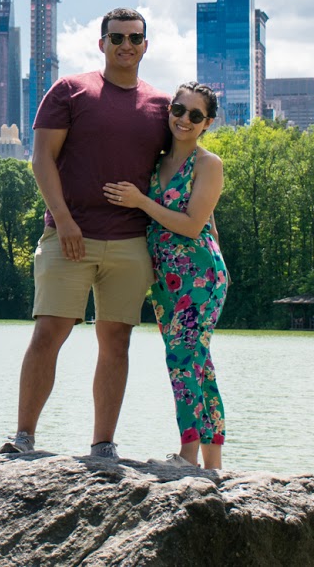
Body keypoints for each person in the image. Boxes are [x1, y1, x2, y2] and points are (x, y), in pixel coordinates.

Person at [0, 8, 169, 460]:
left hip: (132, 242)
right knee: (51, 329)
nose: (126, 46)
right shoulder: (71, 91)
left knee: (117, 340)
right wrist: (65, 220)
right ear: (102, 43)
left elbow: (181, 168)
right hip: (69, 235)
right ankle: (23, 437)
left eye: (135, 38)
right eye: (117, 38)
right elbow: (41, 159)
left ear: (145, 46)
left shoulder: (161, 107)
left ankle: (103, 444)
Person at [103, 82, 228, 470]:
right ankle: (215, 464)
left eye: (195, 115)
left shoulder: (209, 164)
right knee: (197, 363)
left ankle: (187, 456)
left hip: (201, 278)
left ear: (206, 123)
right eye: (178, 110)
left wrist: (141, 201)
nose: (184, 120)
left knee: (181, 358)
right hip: (165, 281)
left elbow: (194, 226)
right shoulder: (154, 163)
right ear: (169, 111)